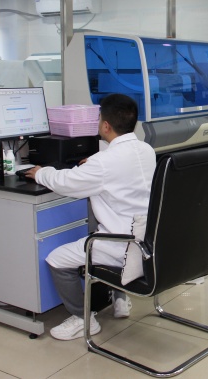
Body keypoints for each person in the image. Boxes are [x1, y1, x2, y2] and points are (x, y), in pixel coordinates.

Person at [25, 93, 156, 340]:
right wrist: (96, 162)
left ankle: (83, 318)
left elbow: (66, 182)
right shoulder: (146, 150)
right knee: (99, 227)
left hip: (122, 245)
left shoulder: (104, 163)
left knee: (56, 259)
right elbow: (116, 165)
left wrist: (41, 172)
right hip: (147, 240)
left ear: (105, 126)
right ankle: (120, 298)